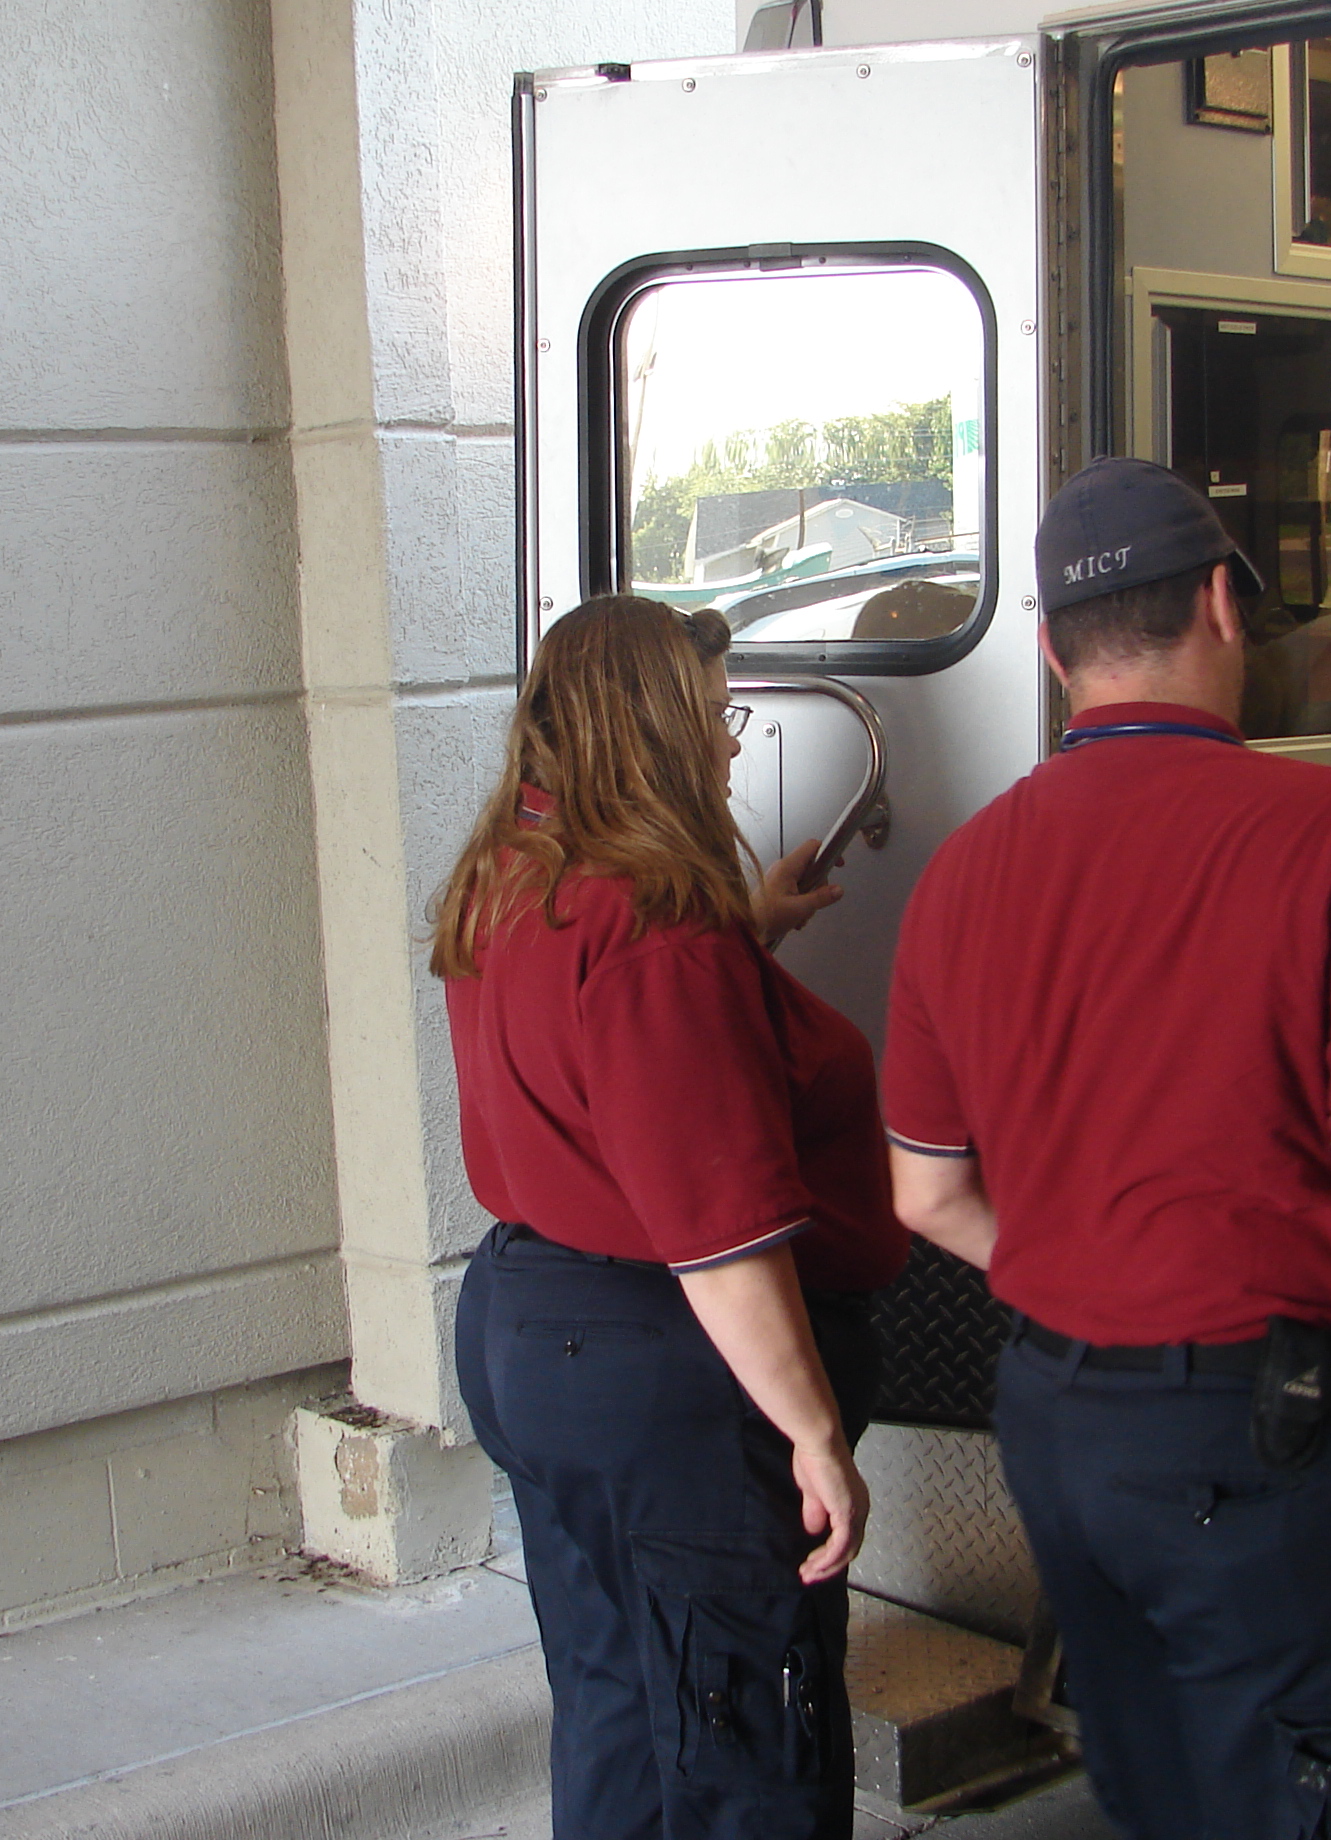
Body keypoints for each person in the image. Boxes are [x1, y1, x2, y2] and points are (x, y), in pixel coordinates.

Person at [883, 459, 1331, 1840]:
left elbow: (926, 1192)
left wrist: (1089, 1266)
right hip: (1244, 1431)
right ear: (1224, 602)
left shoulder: (966, 868)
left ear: (1050, 648)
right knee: (1322, 1789)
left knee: (1155, 1783)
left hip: (1048, 1420)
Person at [434, 595, 908, 1840]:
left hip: (530, 1330)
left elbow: (597, 1048)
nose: (732, 742)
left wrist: (752, 930)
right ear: (648, 730)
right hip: (664, 1373)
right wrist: (810, 1432)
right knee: (744, 1727)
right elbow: (719, 1237)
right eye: (715, 713)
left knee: (618, 1699)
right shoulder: (658, 934)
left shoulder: (515, 872)